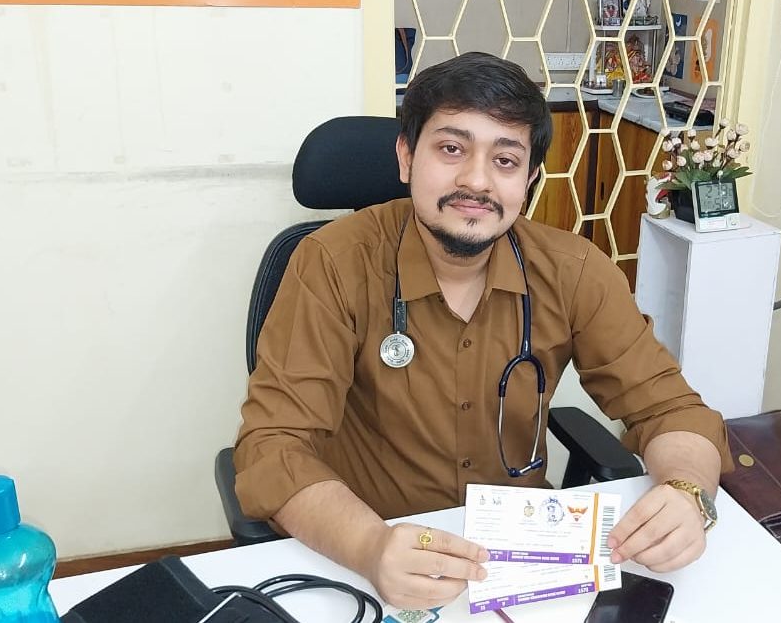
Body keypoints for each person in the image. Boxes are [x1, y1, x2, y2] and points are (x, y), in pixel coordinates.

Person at [233, 52, 732, 611]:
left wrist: (688, 492)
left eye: (505, 159)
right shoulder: (332, 263)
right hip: (377, 552)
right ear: (406, 156)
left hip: (522, 563)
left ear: (530, 179)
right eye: (451, 149)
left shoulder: (574, 271)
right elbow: (273, 446)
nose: (476, 180)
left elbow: (672, 409)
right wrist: (370, 546)